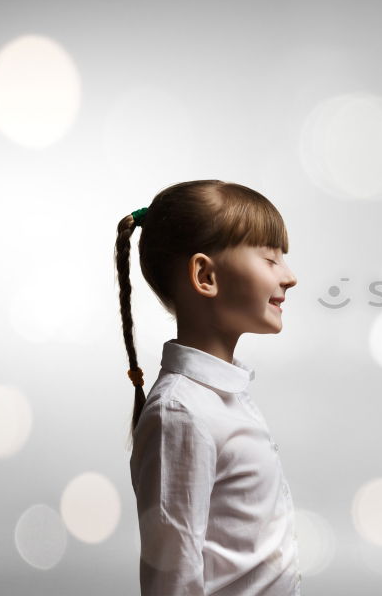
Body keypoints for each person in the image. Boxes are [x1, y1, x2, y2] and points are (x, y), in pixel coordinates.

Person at [115, 180, 301, 595]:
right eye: (270, 259)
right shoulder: (181, 413)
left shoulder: (226, 398)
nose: (290, 277)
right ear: (204, 275)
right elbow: (172, 582)